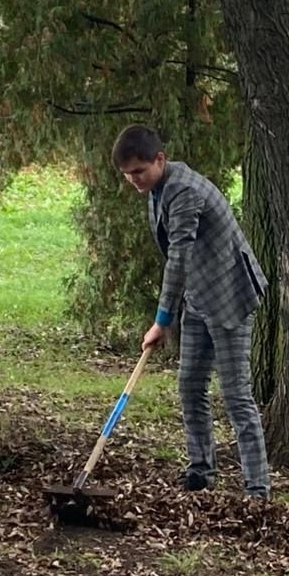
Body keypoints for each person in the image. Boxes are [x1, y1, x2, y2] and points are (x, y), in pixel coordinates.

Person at [111, 125, 270, 499]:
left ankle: (258, 488)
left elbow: (179, 257)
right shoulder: (158, 186)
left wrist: (161, 321)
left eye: (139, 172)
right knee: (190, 385)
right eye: (128, 175)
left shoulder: (184, 191)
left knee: (235, 394)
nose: (134, 180)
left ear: (159, 159)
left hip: (229, 296)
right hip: (198, 296)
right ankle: (201, 470)